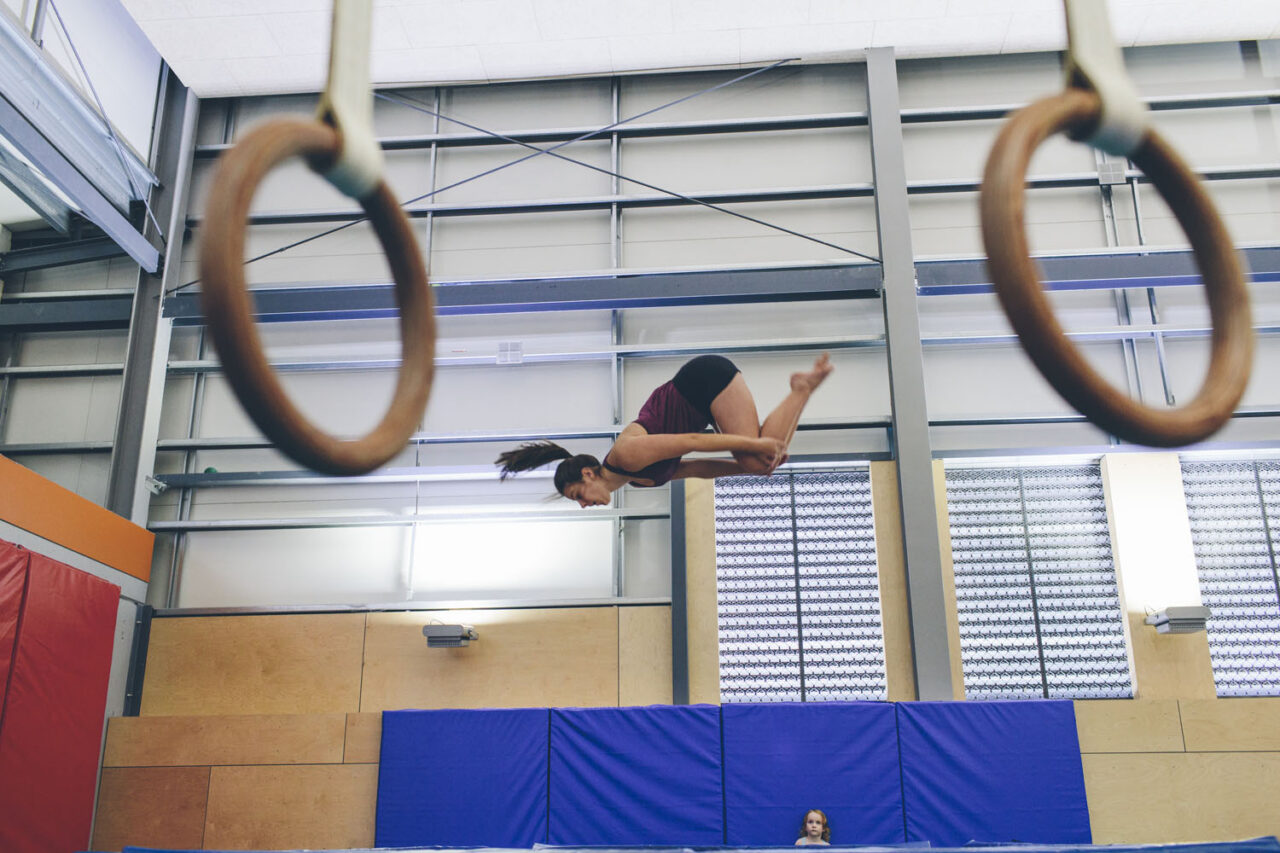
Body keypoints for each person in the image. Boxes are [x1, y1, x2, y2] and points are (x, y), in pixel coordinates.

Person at [496, 353, 834, 506]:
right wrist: (745, 467)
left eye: (578, 496)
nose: (584, 505)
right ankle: (801, 390)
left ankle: (801, 389)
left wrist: (756, 451)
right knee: (760, 465)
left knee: (760, 458)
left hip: (702, 381)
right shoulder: (638, 480)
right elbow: (695, 468)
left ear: (588, 474)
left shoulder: (625, 454)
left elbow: (693, 441)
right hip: (702, 403)